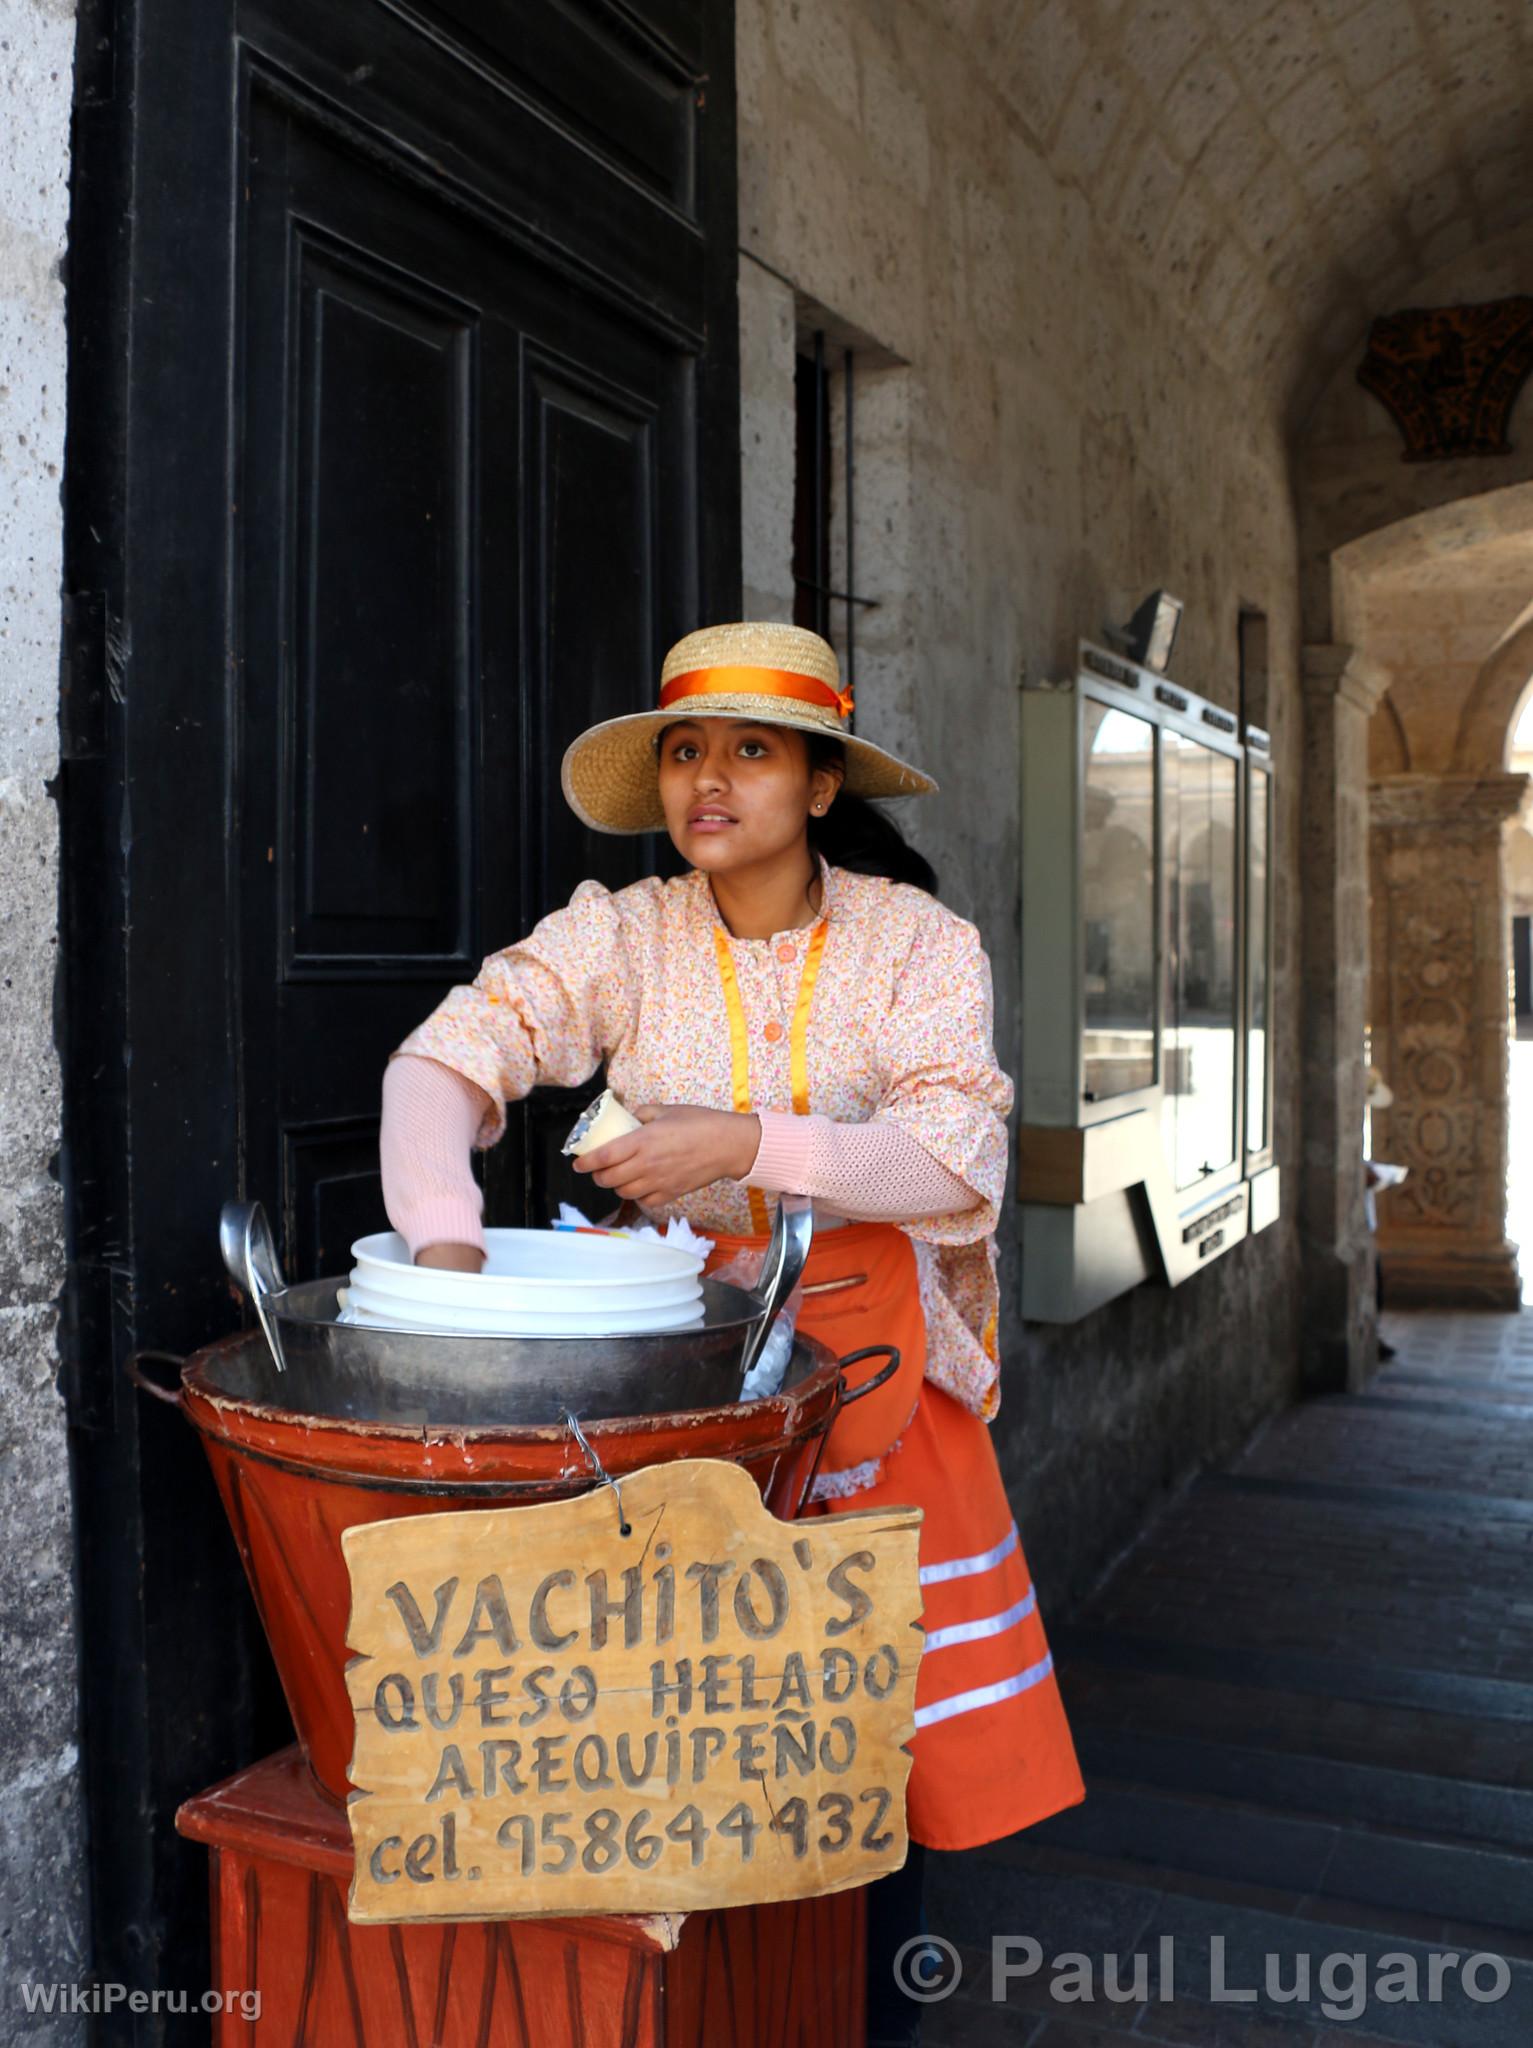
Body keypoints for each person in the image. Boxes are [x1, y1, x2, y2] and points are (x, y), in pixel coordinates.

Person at [378, 620, 1086, 2043]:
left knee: (862, 1732)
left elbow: (955, 1165)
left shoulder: (914, 945)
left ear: (821, 786)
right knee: (691, 1716)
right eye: (687, 751)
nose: (709, 780)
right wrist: (440, 1250)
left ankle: (861, 2002)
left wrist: (747, 1142)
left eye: (751, 751)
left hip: (879, 1380)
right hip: (678, 1378)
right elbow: (445, 1057)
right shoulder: (622, 936)